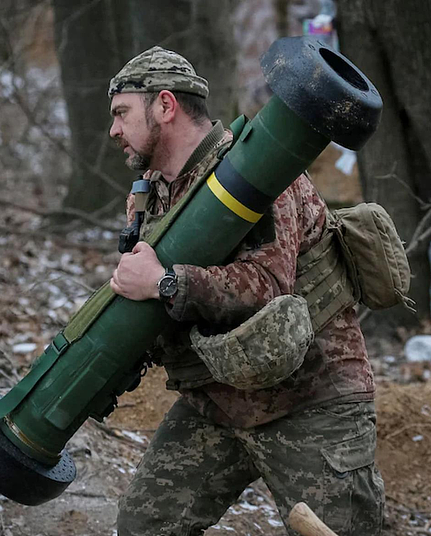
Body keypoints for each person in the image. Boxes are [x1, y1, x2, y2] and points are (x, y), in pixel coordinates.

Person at [106, 46, 384, 536]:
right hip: (216, 403)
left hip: (311, 400)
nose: (113, 130)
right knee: (144, 526)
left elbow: (266, 285)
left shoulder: (258, 168)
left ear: (165, 106)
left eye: (121, 113)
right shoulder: (154, 193)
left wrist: (165, 283)